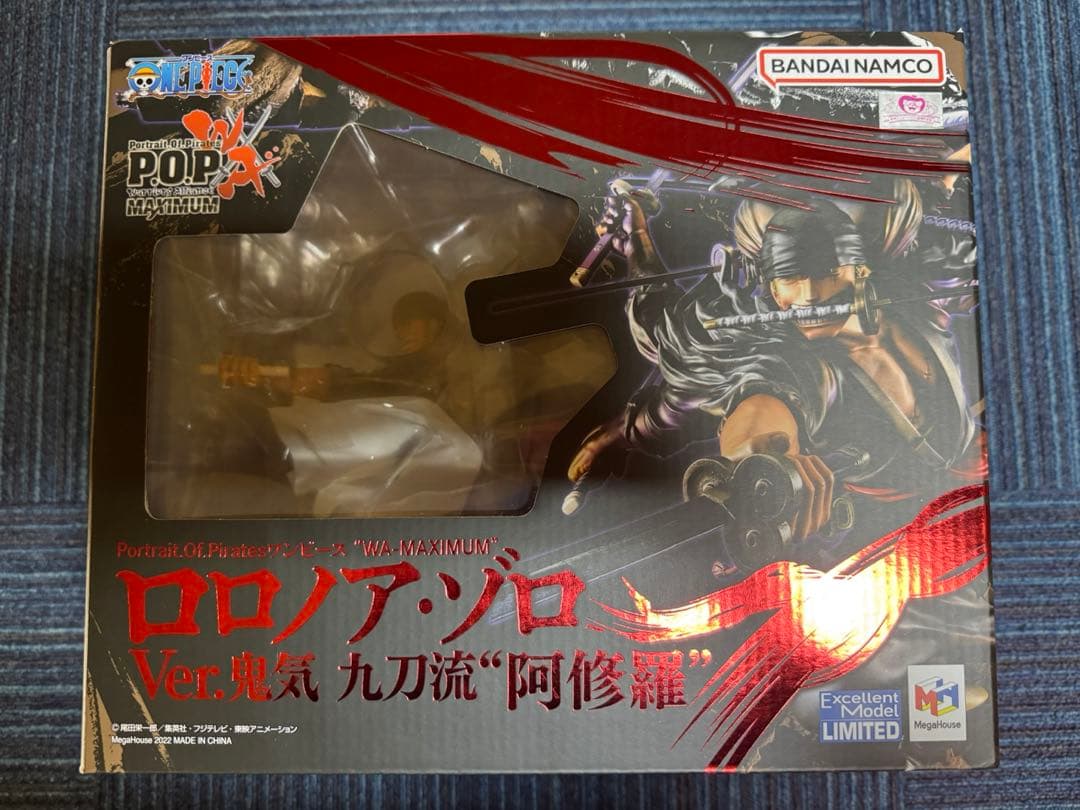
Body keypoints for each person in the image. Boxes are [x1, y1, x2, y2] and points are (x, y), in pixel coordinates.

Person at [566, 182, 982, 546]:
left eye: (828, 271)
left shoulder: (916, 297)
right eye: (790, 279)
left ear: (861, 270)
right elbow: (759, 407)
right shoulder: (792, 363)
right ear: (772, 290)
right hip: (909, 531)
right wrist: (756, 461)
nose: (810, 296)